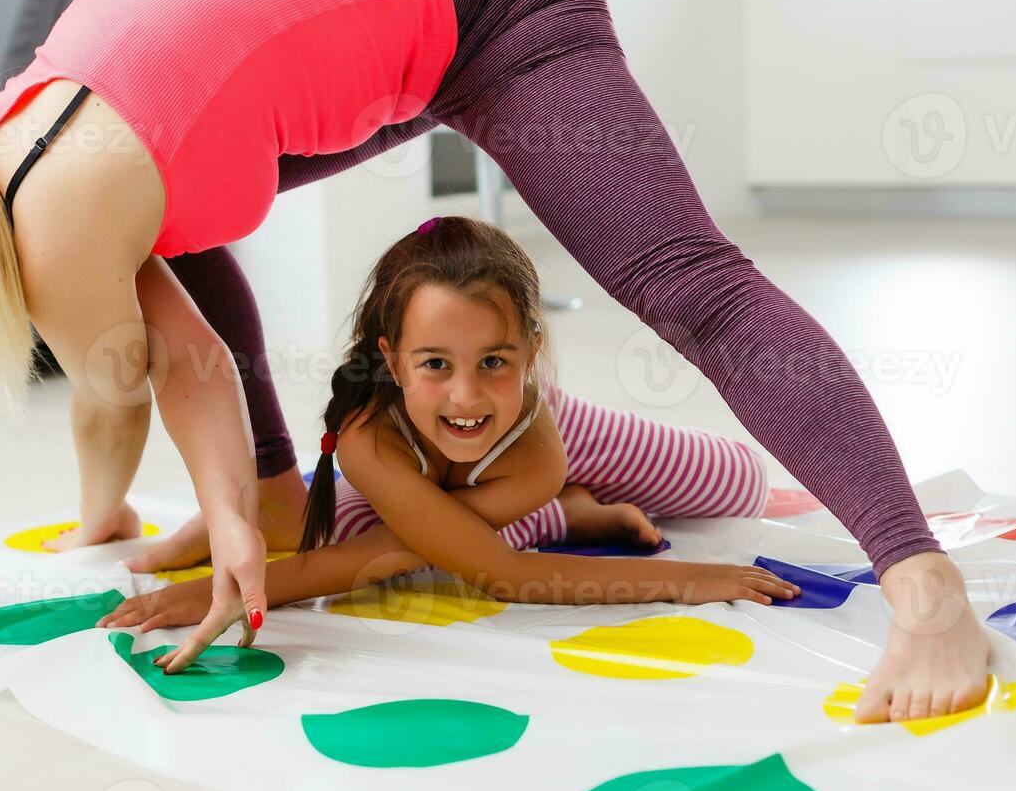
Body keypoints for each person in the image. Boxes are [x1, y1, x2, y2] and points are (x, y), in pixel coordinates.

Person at [0, 0, 988, 716]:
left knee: (686, 284)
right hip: (401, 18)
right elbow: (167, 332)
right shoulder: (20, 133)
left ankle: (925, 583)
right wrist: (155, 516)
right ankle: (277, 484)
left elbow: (153, 370)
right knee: (187, 240)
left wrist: (241, 534)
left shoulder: (53, 209)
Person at [97, 217, 803, 668]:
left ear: (528, 353)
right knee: (341, 530)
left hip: (547, 438)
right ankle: (574, 514)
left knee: (733, 482)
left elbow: (502, 574)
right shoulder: (368, 439)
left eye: (493, 360)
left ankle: (570, 503)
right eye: (435, 364)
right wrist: (228, 588)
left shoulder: (536, 446)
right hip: (453, 472)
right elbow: (361, 559)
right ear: (393, 359)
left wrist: (692, 581)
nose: (465, 395)